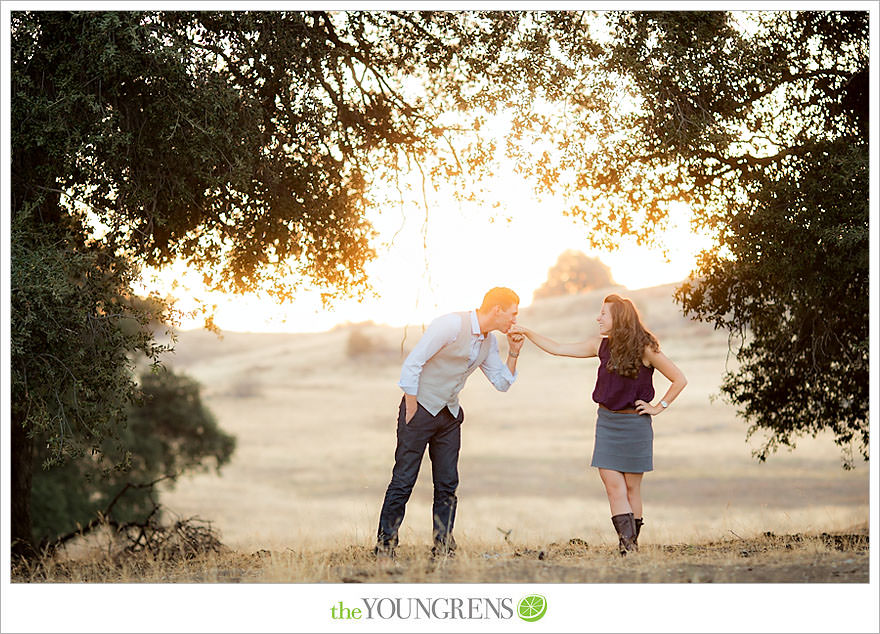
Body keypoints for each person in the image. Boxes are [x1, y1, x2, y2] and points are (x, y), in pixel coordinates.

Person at [510, 293, 686, 555]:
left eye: (604, 313)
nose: (598, 318)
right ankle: (627, 547)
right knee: (614, 486)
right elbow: (559, 347)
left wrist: (658, 407)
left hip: (635, 425)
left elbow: (679, 379)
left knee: (631, 488)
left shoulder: (646, 349)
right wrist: (527, 331)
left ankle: (630, 548)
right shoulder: (599, 345)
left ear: (619, 318)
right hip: (607, 424)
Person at [375, 287, 525, 559]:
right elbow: (413, 362)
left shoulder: (489, 342)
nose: (514, 320)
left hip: (449, 416)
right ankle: (385, 547)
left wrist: (513, 353)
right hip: (419, 410)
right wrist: (411, 407)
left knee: (447, 483)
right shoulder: (452, 325)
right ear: (497, 309)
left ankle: (443, 547)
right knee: (403, 480)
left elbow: (502, 383)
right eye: (512, 314)